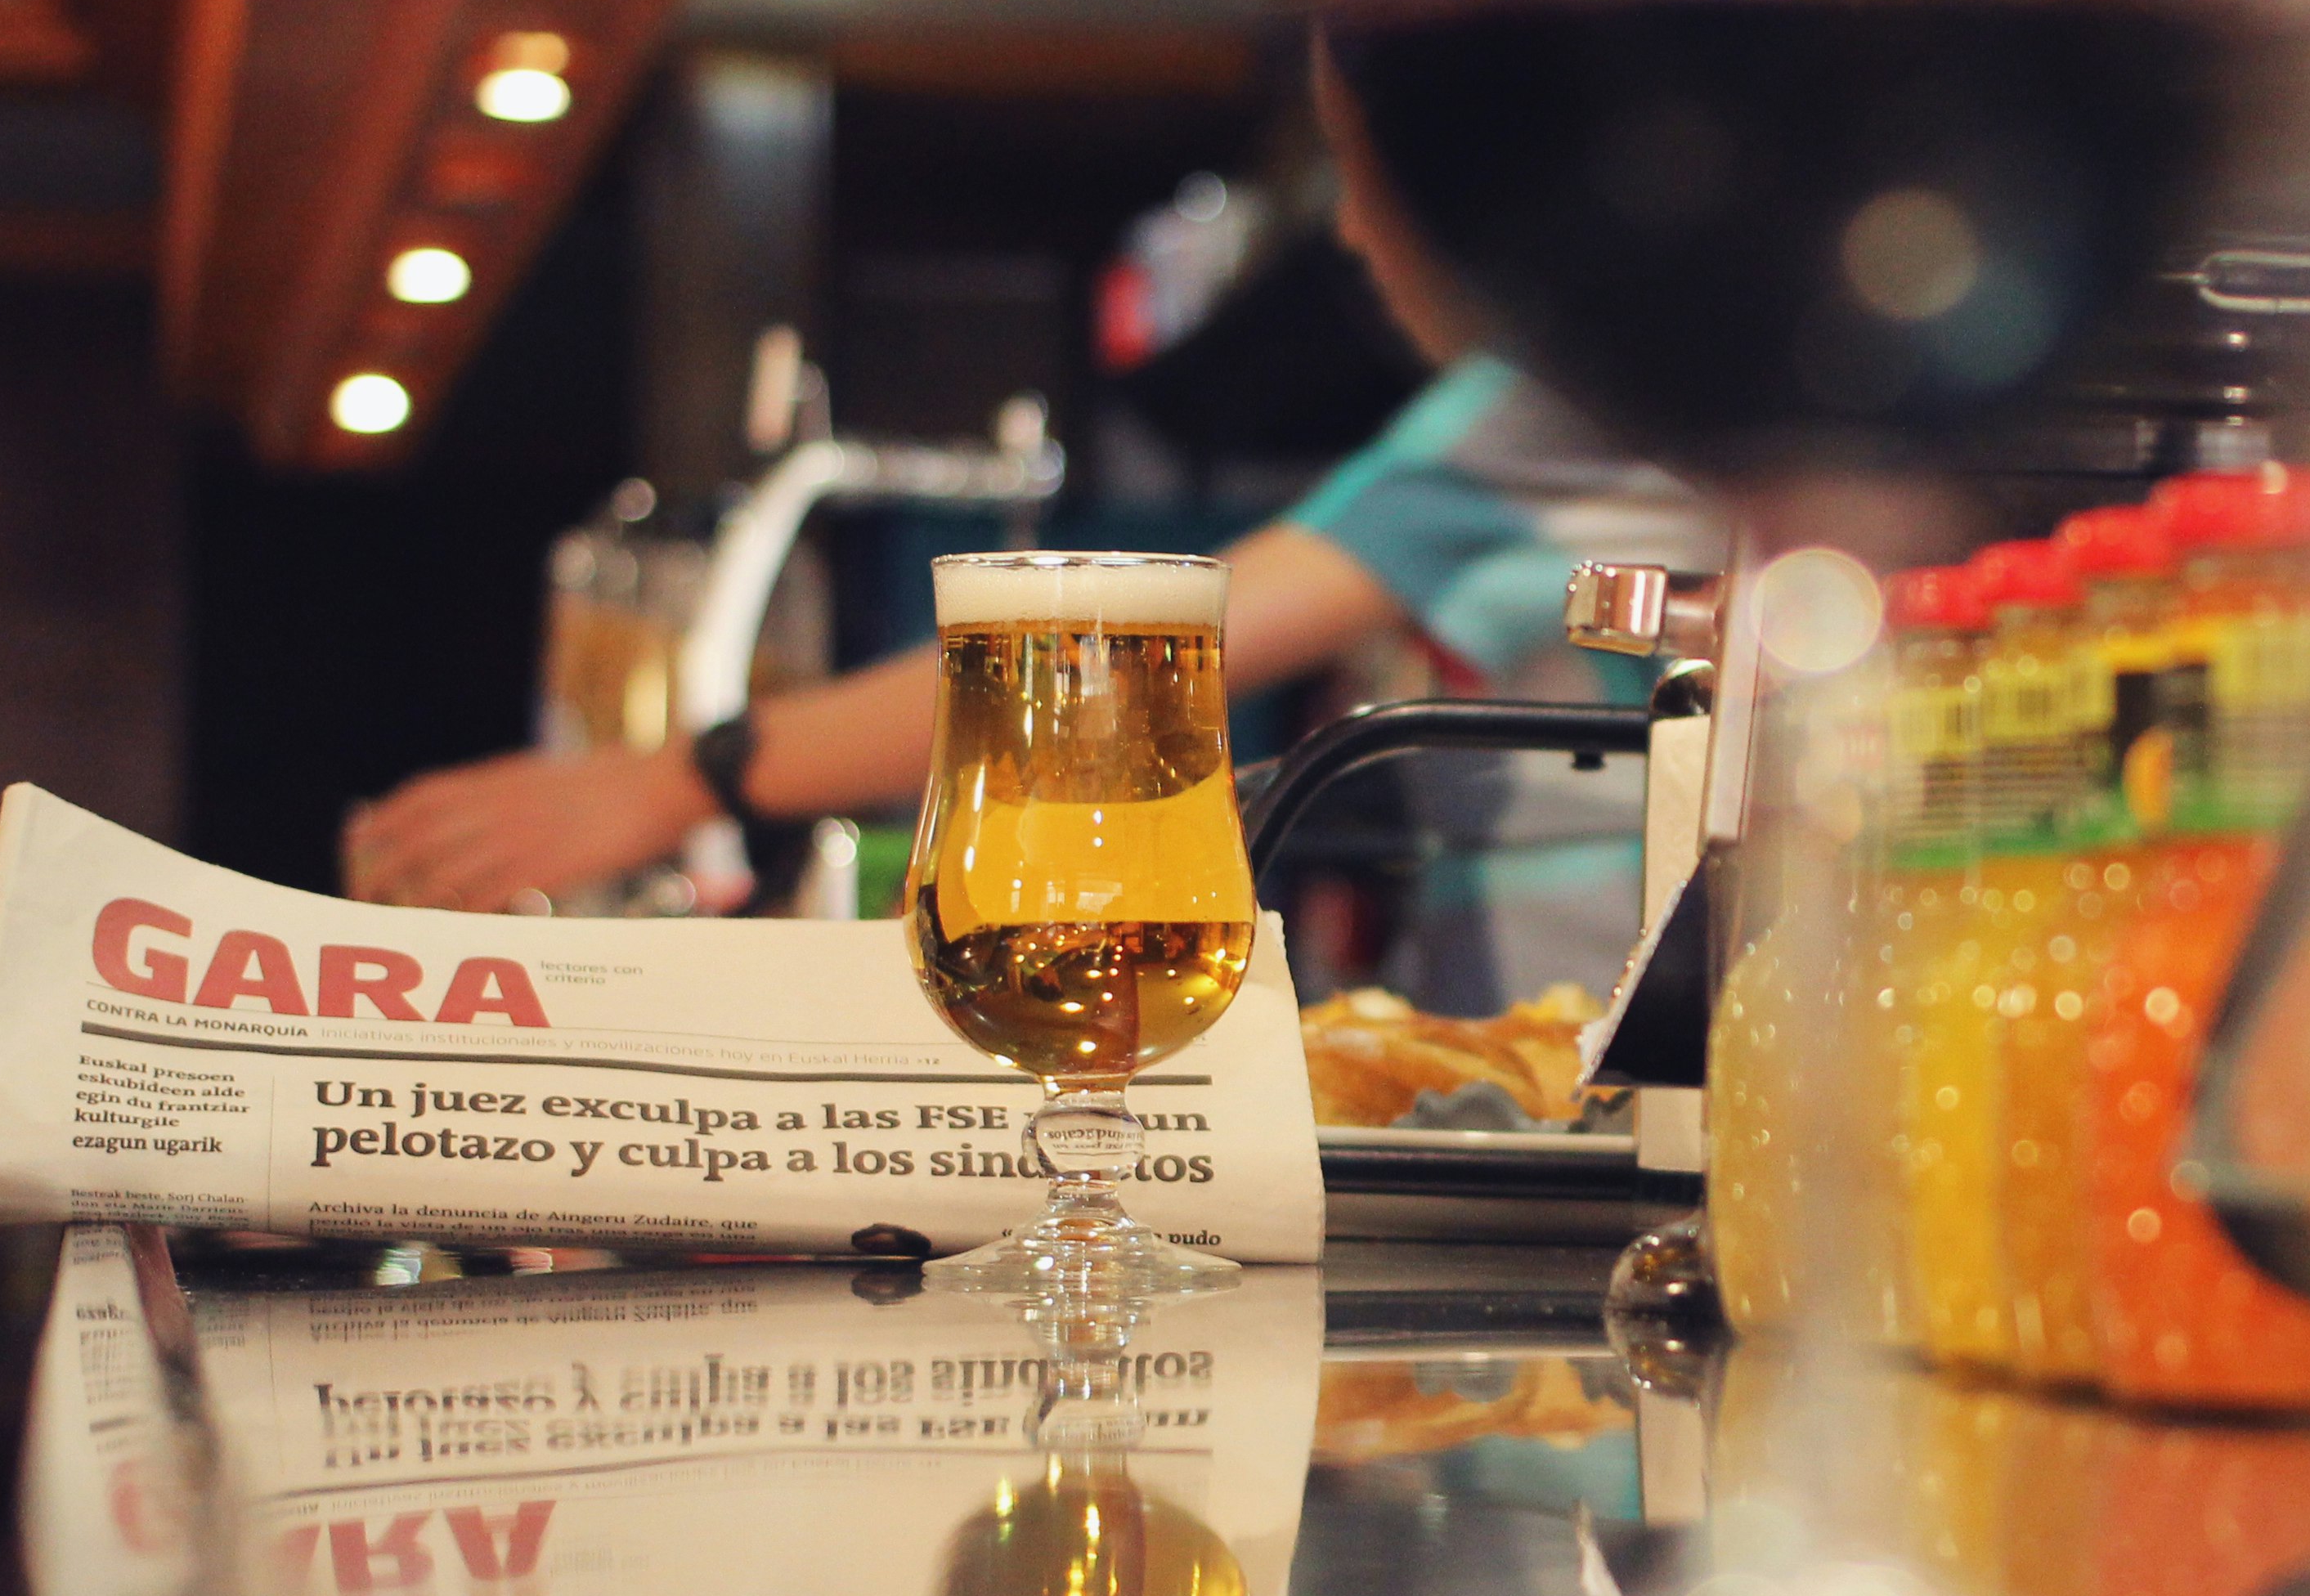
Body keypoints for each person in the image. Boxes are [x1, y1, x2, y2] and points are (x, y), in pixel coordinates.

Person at [344, 52, 1730, 1004]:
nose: (1359, 237)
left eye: (1367, 175)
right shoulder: (1603, 390)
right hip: (1583, 1046)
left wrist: (669, 783)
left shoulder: (1569, 398)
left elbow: (1131, 646)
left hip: (1632, 1060)